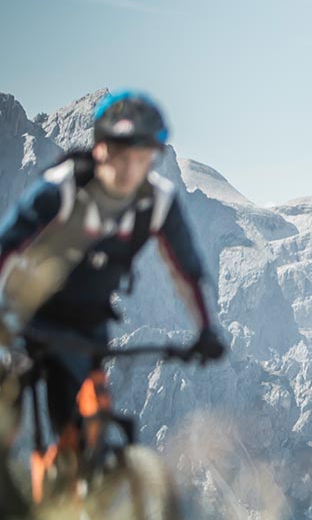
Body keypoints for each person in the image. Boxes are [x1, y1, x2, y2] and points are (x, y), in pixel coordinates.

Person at [0, 90, 225, 486]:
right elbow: (7, 245)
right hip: (27, 317)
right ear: (99, 149)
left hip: (88, 323)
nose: (128, 170)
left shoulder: (157, 201)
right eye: (120, 156)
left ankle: (73, 506)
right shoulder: (61, 188)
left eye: (141, 159)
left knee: (87, 433)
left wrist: (206, 328)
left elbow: (187, 270)